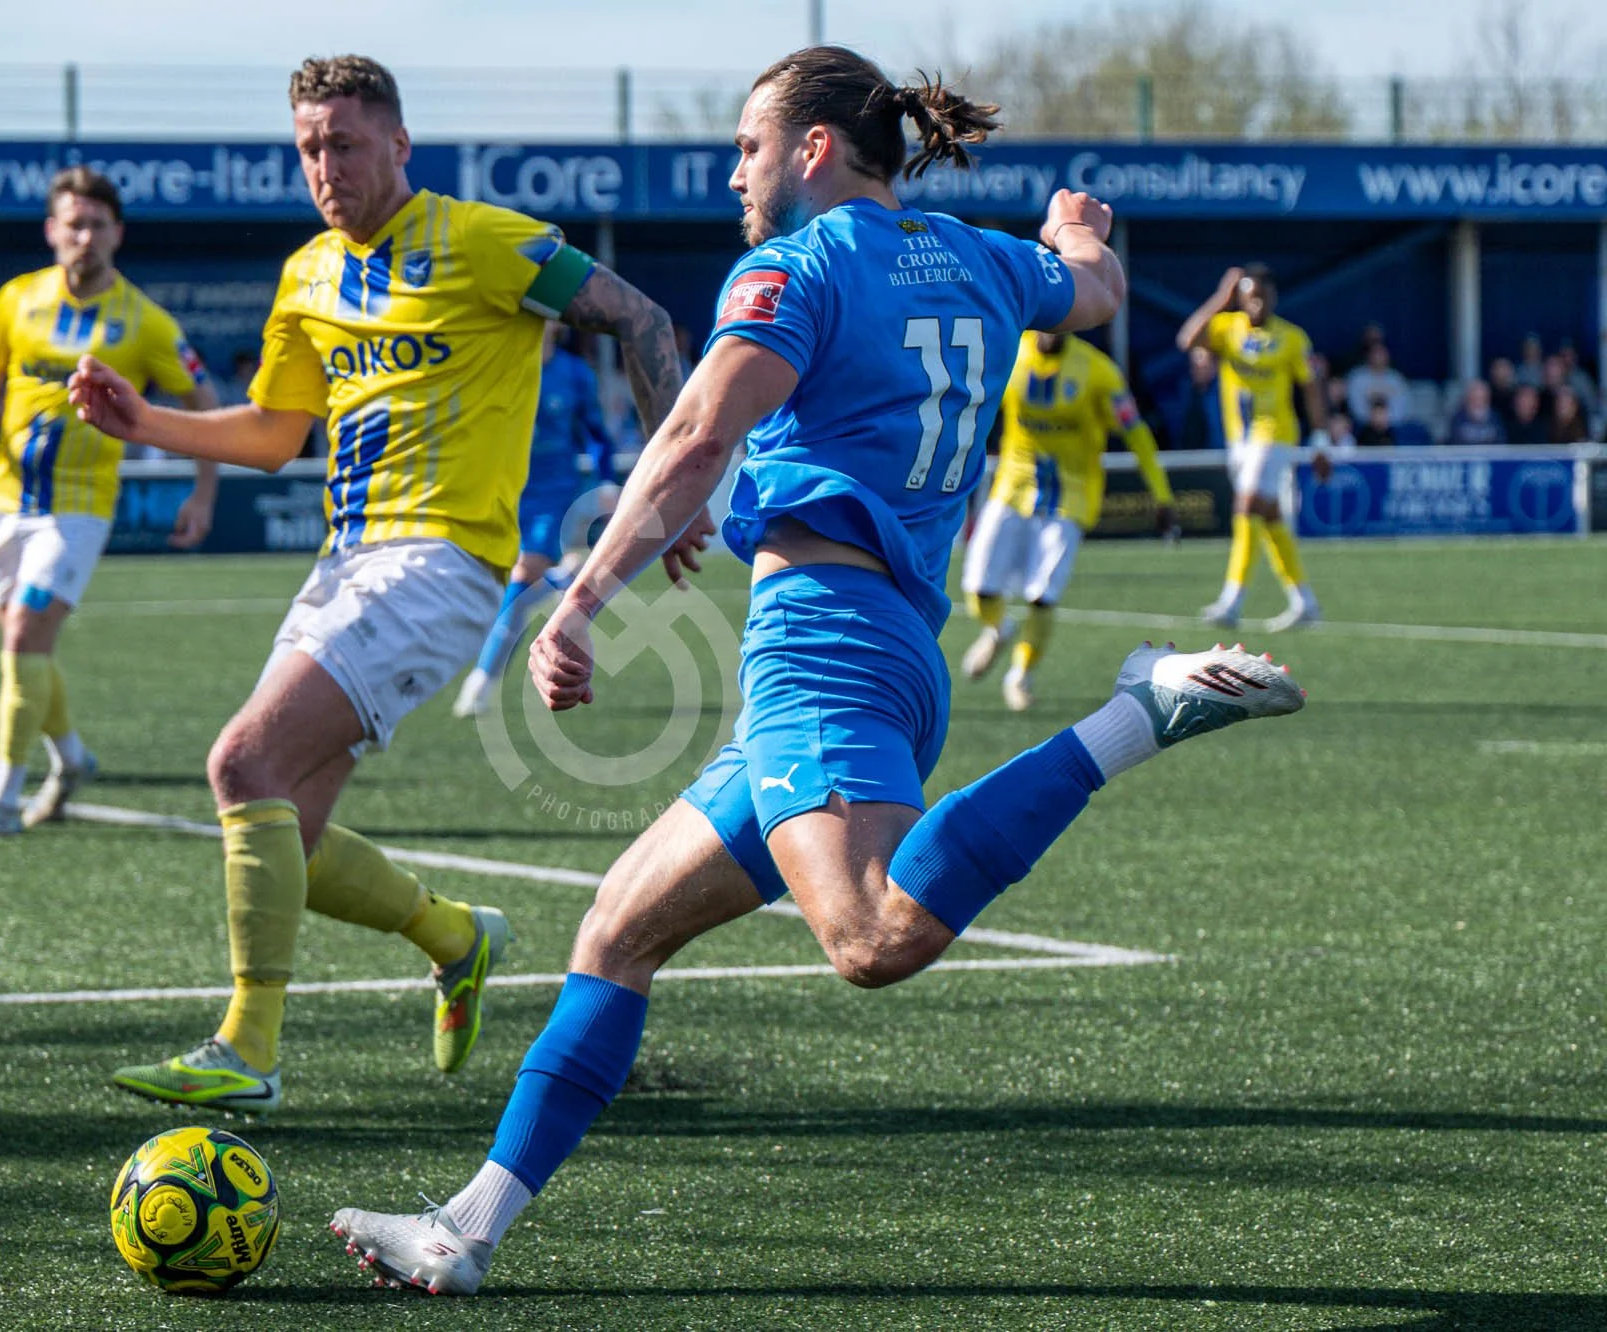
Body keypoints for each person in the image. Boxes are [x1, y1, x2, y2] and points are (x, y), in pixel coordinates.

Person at [326, 46, 1305, 1296]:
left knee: (872, 935)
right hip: (867, 648)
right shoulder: (980, 258)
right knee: (616, 931)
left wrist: (576, 603)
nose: (732, 170)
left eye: (747, 145)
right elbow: (1095, 290)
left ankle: (1133, 713)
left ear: (810, 149)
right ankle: (466, 1227)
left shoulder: (798, 264)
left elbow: (692, 434)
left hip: (825, 652)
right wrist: (1071, 232)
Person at [67, 54, 688, 1111]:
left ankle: (247, 1052)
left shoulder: (482, 241)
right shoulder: (307, 274)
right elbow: (273, 432)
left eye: (344, 143)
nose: (325, 165)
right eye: (309, 146)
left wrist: (670, 491)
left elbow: (643, 320)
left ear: (399, 144)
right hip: (345, 562)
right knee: (284, 843)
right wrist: (147, 424)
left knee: (241, 762)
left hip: (440, 563)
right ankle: (455, 938)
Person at [0, 167, 220, 841]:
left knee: (24, 635)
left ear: (117, 233)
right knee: (21, 648)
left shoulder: (145, 322)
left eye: (96, 224)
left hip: (79, 506)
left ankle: (4, 797)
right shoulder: (16, 299)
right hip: (4, 496)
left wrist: (205, 491)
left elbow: (201, 401)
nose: (84, 236)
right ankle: (72, 758)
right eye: (73, 223)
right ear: (52, 230)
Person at [959, 330, 1176, 712]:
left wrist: (1161, 493)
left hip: (1070, 495)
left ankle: (1021, 675)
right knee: (979, 587)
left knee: (1043, 595)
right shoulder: (1010, 349)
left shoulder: (1098, 371)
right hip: (1012, 485)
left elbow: (1135, 431)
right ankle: (998, 629)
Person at [452, 321, 617, 717]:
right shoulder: (500, 364)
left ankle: (481, 681)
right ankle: (566, 580)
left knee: (524, 576)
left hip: (553, 492)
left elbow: (594, 432)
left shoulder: (574, 373)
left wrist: (607, 479)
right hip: (504, 489)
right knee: (514, 587)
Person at [1177, 264, 1328, 633]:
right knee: (1270, 516)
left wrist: (1321, 439)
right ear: (1241, 298)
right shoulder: (1229, 329)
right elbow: (1187, 340)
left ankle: (1232, 601)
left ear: (1273, 297)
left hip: (1274, 435)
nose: (1256, 302)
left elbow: (1310, 388)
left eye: (1262, 295)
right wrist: (1220, 297)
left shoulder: (1292, 338)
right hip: (1239, 439)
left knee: (1245, 504)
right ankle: (1304, 600)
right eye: (1249, 295)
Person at [1343, 339, 1411, 425]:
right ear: (1368, 356)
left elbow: (1402, 406)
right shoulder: (1357, 377)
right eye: (1375, 353)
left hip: (1393, 425)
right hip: (1363, 424)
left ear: (1388, 356)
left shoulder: (1396, 379)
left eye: (1381, 354)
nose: (1378, 357)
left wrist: (1386, 419)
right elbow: (1355, 406)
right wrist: (1373, 418)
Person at [1444, 380, 1506, 446]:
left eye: (1481, 398)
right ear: (1468, 399)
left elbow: (1501, 443)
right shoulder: (1458, 418)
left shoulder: (1495, 418)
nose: (1478, 402)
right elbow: (1454, 443)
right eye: (1474, 398)